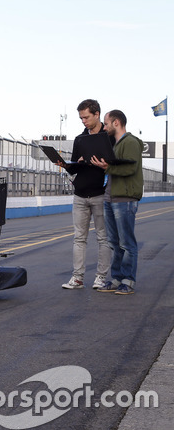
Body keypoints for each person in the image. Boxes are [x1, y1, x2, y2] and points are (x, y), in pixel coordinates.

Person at [60, 99, 112, 290]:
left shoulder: (109, 138)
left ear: (97, 114)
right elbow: (74, 170)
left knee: (103, 238)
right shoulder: (80, 139)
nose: (83, 121)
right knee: (79, 238)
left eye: (86, 117)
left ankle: (101, 277)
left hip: (100, 194)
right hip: (80, 194)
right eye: (81, 118)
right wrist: (68, 165)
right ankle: (78, 278)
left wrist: (106, 166)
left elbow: (115, 166)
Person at [91, 109, 143, 295]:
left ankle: (128, 280)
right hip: (110, 197)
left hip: (125, 199)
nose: (104, 127)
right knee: (114, 241)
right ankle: (117, 278)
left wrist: (108, 167)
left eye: (106, 123)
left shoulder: (130, 142)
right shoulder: (115, 144)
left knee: (127, 243)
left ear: (116, 123)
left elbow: (130, 169)